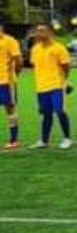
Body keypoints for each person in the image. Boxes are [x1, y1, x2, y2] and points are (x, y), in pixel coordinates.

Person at [29, 23, 72, 149]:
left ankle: (67, 138)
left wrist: (65, 81)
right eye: (37, 31)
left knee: (60, 110)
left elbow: (66, 66)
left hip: (56, 85)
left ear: (50, 33)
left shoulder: (59, 48)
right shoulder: (35, 49)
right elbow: (34, 65)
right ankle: (44, 140)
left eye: (42, 31)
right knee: (46, 113)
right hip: (41, 86)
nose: (39, 33)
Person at [0, 21, 22, 150]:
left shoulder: (10, 41)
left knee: (10, 109)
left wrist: (15, 74)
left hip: (6, 81)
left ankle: (14, 139)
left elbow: (18, 59)